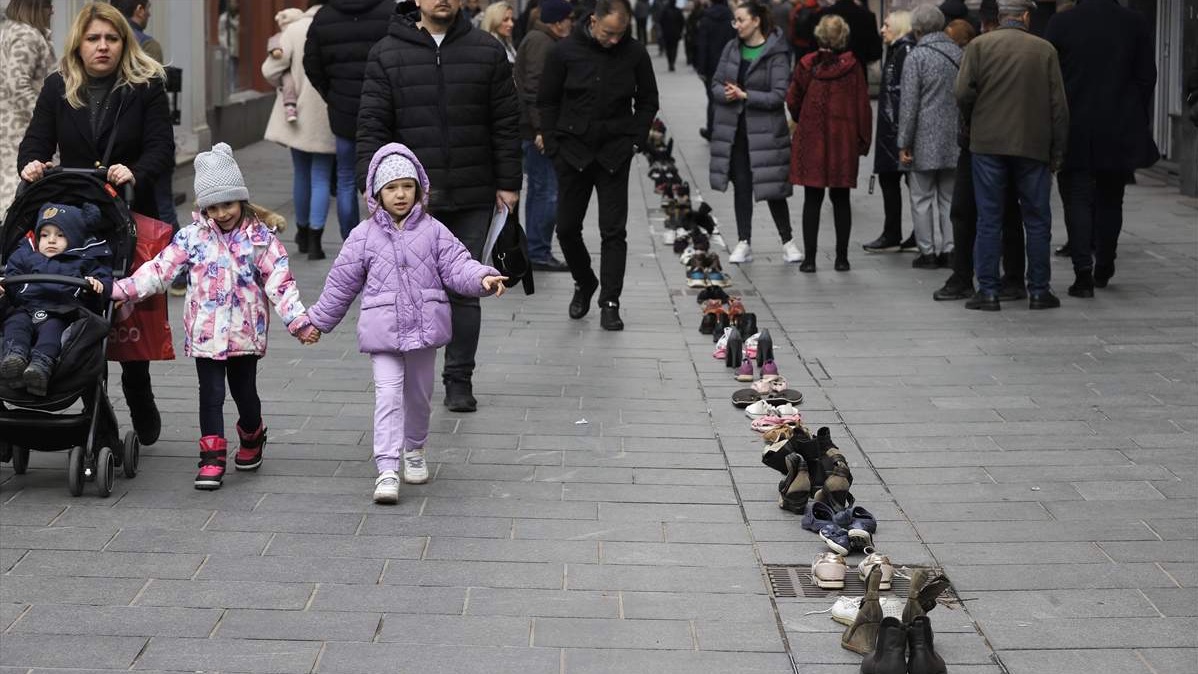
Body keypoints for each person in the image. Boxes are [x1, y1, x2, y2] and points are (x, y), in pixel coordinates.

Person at [304, 144, 507, 504]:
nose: (400, 194)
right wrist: (317, 320)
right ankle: (386, 468)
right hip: (382, 332)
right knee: (387, 396)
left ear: (419, 189)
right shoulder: (363, 236)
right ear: (377, 194)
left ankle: (414, 449)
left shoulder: (434, 231)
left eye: (407, 187)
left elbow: (459, 265)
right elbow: (341, 283)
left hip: (424, 330)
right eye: (392, 187)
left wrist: (483, 278)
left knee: (419, 396)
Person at [111, 143, 317, 490]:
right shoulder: (192, 237)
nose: (222, 213)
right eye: (213, 206)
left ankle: (252, 434)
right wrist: (123, 289)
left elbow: (281, 283)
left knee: (244, 393)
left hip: (244, 334)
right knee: (210, 395)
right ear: (203, 207)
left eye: (228, 204)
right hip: (205, 335)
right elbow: (160, 270)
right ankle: (212, 457)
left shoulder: (260, 239)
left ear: (241, 201)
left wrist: (298, 321)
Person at [18, 1, 173, 445]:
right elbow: (35, 143)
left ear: (124, 43)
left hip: (128, 213)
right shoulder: (58, 86)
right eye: (93, 39)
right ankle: (94, 405)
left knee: (128, 312)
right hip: (75, 219)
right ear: (79, 45)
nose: (102, 46)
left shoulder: (145, 87)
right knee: (82, 306)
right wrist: (31, 164)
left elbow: (161, 148)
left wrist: (135, 171)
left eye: (111, 38)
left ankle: (137, 387)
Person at [357, 0, 521, 413]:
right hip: (407, 200)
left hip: (472, 190)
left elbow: (505, 120)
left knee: (467, 289)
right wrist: (372, 186)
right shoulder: (387, 52)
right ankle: (414, 374)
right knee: (411, 289)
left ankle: (458, 378)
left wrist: (508, 182)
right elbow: (372, 124)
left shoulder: (486, 50)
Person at [538, 0, 660, 331]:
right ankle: (584, 280)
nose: (614, 40)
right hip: (572, 153)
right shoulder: (563, 51)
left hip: (614, 154)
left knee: (613, 231)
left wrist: (636, 139)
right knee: (565, 228)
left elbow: (648, 100)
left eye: (620, 34)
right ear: (593, 21)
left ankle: (610, 301)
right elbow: (547, 100)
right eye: (608, 33)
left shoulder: (634, 52)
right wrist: (553, 145)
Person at [955, 0, 1068, 311]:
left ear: (1000, 17)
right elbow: (1059, 107)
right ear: (1027, 16)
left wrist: (975, 119)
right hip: (1032, 145)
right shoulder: (1044, 50)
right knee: (1037, 219)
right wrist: (1057, 152)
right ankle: (1039, 290)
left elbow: (962, 93)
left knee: (989, 219)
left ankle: (988, 291)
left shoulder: (979, 46)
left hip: (988, 144)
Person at [1046, 0, 1157, 297]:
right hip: (1118, 123)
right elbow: (1147, 76)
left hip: (1074, 123)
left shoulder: (1061, 23)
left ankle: (1083, 274)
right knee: (1111, 197)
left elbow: (1049, 77)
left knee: (1076, 198)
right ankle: (1104, 263)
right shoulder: (1134, 22)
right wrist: (1133, 110)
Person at [932, 1, 1026, 303]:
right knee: (1011, 210)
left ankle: (964, 276)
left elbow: (963, 93)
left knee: (966, 211)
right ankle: (1013, 278)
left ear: (987, 21)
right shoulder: (1034, 47)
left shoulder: (979, 48)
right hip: (1017, 140)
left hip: (978, 141)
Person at [709, 1, 799, 265]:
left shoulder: (777, 53)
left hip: (766, 133)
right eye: (734, 20)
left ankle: (788, 242)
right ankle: (743, 241)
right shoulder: (731, 48)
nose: (736, 25)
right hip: (736, 131)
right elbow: (715, 84)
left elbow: (778, 95)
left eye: (741, 20)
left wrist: (745, 95)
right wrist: (725, 94)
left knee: (773, 188)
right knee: (742, 187)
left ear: (756, 21)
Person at [302, 0, 392, 243]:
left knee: (346, 179)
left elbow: (311, 62)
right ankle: (388, 239)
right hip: (382, 108)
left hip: (343, 110)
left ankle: (351, 242)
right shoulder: (389, 11)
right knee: (388, 177)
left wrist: (331, 94)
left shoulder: (324, 16)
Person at [786, 13, 871, 273]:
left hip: (813, 138)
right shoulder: (853, 67)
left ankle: (810, 260)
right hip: (841, 140)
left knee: (812, 198)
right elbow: (862, 106)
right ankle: (842, 258)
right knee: (841, 197)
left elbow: (793, 99)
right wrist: (862, 140)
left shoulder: (806, 64)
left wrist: (803, 118)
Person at [0, 202, 112, 396]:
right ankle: (13, 359)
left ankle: (41, 365)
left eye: (60, 235)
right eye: (44, 235)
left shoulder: (83, 260)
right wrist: (4, 286)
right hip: (24, 308)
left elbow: (104, 279)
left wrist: (96, 285)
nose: (51, 240)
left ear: (75, 238)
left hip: (61, 311)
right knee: (15, 325)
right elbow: (12, 276)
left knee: (52, 331)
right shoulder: (24, 255)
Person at [262, 2, 336, 262]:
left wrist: (285, 81)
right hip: (329, 112)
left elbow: (269, 69)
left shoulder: (293, 30)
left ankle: (302, 234)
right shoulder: (334, 25)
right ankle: (316, 241)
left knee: (302, 175)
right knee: (322, 177)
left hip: (297, 116)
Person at [897, 5, 961, 270]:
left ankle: (927, 252)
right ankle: (951, 249)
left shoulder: (917, 57)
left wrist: (904, 142)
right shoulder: (959, 52)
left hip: (923, 137)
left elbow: (909, 104)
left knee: (921, 197)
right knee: (949, 196)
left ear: (917, 28)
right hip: (954, 137)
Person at [515, 0, 573, 272]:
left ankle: (536, 248)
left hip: (535, 128)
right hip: (537, 131)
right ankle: (539, 251)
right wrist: (541, 129)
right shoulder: (542, 43)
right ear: (558, 21)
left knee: (540, 191)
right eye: (568, 19)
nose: (571, 24)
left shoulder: (540, 38)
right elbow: (536, 89)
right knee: (546, 193)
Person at [861, 9, 914, 254]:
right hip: (892, 130)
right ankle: (896, 232)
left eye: (886, 25)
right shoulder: (897, 51)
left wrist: (901, 134)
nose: (882, 30)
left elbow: (904, 95)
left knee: (907, 182)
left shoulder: (904, 52)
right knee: (891, 180)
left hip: (898, 132)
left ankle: (905, 232)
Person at [0, 0, 56, 217]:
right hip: (20, 130)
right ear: (34, 7)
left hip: (10, 128)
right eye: (47, 5)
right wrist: (47, 119)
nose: (51, 11)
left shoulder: (8, 32)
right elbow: (18, 84)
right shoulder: (27, 35)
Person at [694, 0, 736, 140]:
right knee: (728, 96)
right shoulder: (731, 17)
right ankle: (728, 130)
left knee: (712, 98)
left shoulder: (706, 18)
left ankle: (712, 130)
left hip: (711, 66)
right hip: (729, 63)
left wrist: (701, 68)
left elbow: (702, 45)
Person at [819, 0, 882, 75]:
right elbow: (875, 52)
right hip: (857, 73)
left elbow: (814, 47)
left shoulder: (824, 14)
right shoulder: (867, 16)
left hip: (829, 72)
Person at [267, 9, 305, 124]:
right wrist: (275, 50)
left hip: (300, 69)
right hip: (287, 69)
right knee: (288, 84)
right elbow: (273, 41)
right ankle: (289, 106)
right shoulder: (281, 36)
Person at [657, 0, 685, 71]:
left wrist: (663, 30)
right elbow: (682, 22)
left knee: (668, 49)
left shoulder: (665, 11)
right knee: (674, 48)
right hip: (675, 33)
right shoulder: (678, 11)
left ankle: (670, 62)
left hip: (667, 33)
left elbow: (660, 21)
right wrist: (680, 31)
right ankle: (672, 62)